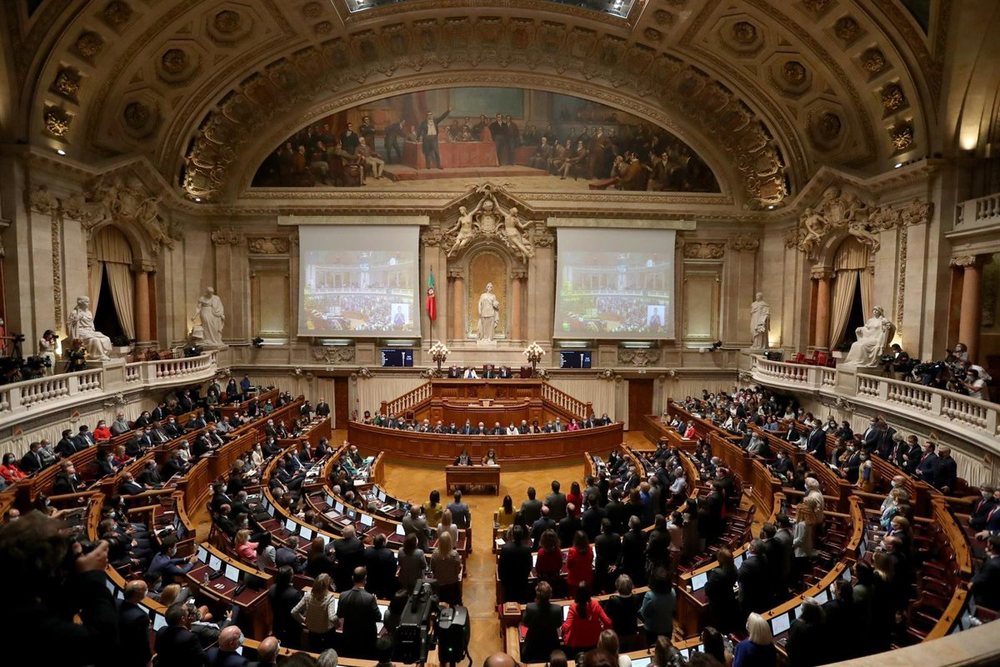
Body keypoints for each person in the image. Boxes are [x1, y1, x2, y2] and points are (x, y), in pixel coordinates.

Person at [336, 567, 382, 659]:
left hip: (349, 636)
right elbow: (378, 617)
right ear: (365, 579)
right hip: (366, 639)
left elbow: (339, 614)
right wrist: (375, 603)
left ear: (352, 578)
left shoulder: (343, 595)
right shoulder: (370, 598)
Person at [562, 582, 612, 656]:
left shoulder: (573, 607)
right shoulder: (595, 604)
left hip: (576, 646)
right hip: (595, 643)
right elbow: (608, 623)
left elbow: (566, 627)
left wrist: (562, 628)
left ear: (577, 594)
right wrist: (601, 632)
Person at [292, 572, 338, 651]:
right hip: (326, 633)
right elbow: (332, 617)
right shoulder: (330, 598)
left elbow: (294, 612)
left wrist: (303, 619)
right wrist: (338, 624)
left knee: (313, 650)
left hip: (312, 631)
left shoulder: (308, 595)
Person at [522, 581, 563, 662]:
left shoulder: (530, 607)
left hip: (533, 644)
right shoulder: (557, 609)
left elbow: (525, 623)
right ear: (550, 595)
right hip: (552, 643)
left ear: (537, 595)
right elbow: (559, 624)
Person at [156, 602, 207, 667]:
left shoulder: (161, 630)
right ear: (183, 619)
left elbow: (156, 648)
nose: (188, 612)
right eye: (187, 611)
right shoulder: (190, 637)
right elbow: (201, 658)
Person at [705, 547, 739, 633]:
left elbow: (707, 590)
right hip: (730, 600)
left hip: (718, 605)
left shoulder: (716, 573)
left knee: (718, 626)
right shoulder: (734, 568)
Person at [601, 574, 642, 647]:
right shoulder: (636, 598)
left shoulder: (613, 600)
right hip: (632, 632)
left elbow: (606, 615)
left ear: (617, 587)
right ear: (631, 586)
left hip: (617, 634)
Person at [269, 566, 304, 647]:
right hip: (292, 629)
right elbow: (300, 611)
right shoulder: (295, 594)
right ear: (290, 577)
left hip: (277, 624)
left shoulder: (272, 588)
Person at [785, 598, 825, 667]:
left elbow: (789, 647)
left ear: (804, 611)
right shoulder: (822, 621)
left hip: (802, 662)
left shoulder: (797, 626)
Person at [498, 524, 533, 603]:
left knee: (509, 600)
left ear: (512, 535)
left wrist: (501, 578)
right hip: (522, 580)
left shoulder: (505, 548)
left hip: (508, 580)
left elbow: (501, 565)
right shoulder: (527, 549)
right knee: (521, 600)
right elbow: (529, 565)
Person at [640, 567, 676, 643]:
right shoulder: (673, 592)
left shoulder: (649, 596)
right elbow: (673, 609)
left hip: (652, 630)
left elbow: (643, 614)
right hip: (667, 629)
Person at [430, 530, 463, 606]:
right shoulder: (454, 555)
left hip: (439, 585)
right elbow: (458, 570)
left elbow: (432, 568)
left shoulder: (435, 554)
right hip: (452, 585)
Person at [971, 535, 1000, 609]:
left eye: (988, 543)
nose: (986, 545)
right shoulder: (995, 559)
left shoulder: (992, 564)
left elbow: (979, 581)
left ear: (992, 546)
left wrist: (971, 582)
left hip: (985, 598)